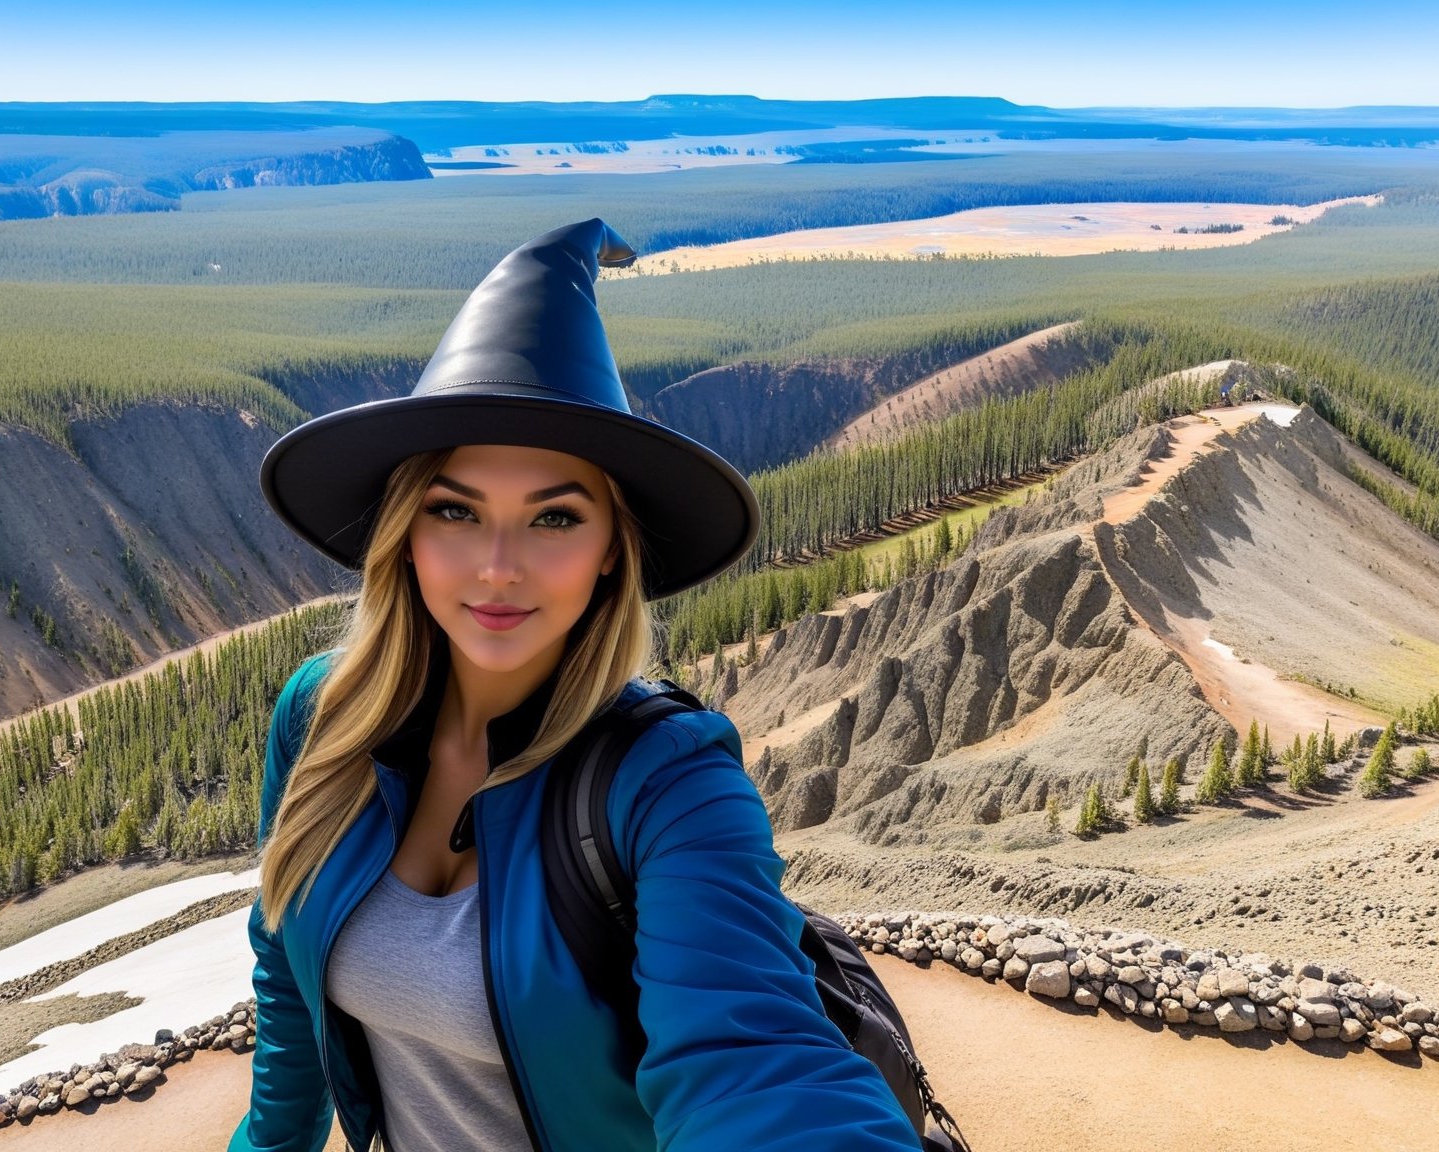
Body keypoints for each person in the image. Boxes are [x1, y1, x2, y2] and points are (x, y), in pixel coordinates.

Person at [232, 219, 923, 1152]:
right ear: (406, 531)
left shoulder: (669, 782)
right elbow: (285, 969)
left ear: (611, 552)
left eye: (554, 517)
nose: (497, 569)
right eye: (455, 511)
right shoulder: (321, 720)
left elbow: (757, 1061)